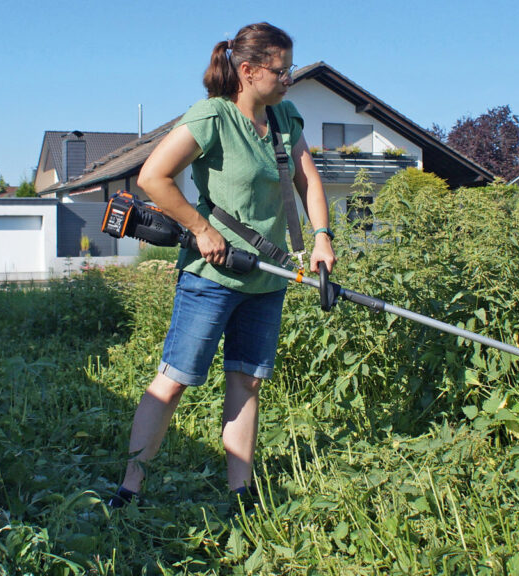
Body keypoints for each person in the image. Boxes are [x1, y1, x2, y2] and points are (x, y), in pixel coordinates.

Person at [109, 22, 335, 507]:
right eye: (282, 70)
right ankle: (129, 489)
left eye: (290, 69)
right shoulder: (212, 117)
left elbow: (309, 183)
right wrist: (202, 229)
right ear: (249, 71)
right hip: (211, 278)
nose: (288, 78)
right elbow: (153, 177)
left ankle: (240, 493)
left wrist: (321, 238)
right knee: (173, 383)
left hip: (264, 280)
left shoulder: (284, 118)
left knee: (247, 381)